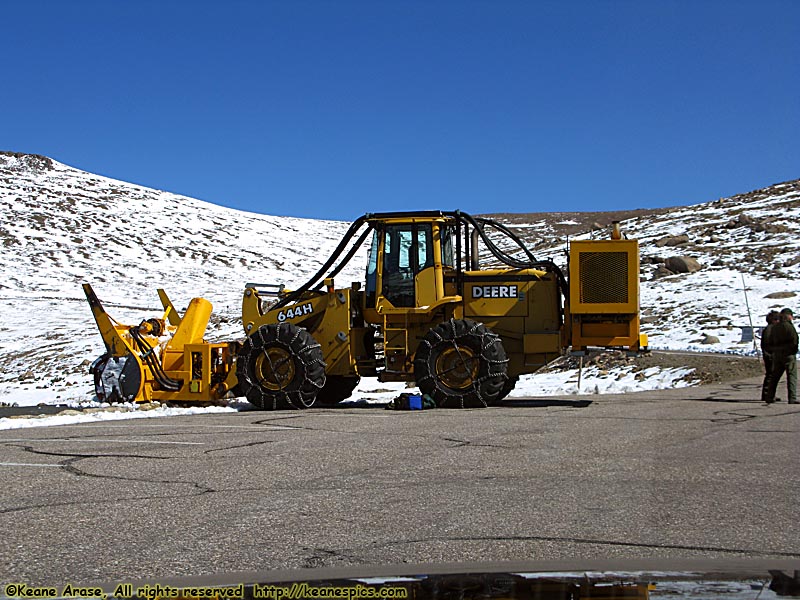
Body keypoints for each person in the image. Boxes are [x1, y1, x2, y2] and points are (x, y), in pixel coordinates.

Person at [765, 307, 798, 404]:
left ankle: (769, 396)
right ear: (788, 316)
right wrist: (793, 351)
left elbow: (770, 341)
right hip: (788, 354)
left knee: (775, 376)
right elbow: (794, 339)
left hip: (777, 354)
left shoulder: (775, 327)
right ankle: (792, 397)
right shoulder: (788, 326)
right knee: (791, 376)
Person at [761, 310, 780, 403]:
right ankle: (767, 394)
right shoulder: (770, 329)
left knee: (771, 374)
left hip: (770, 354)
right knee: (771, 374)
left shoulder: (771, 329)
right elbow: (768, 343)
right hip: (770, 355)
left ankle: (768, 394)